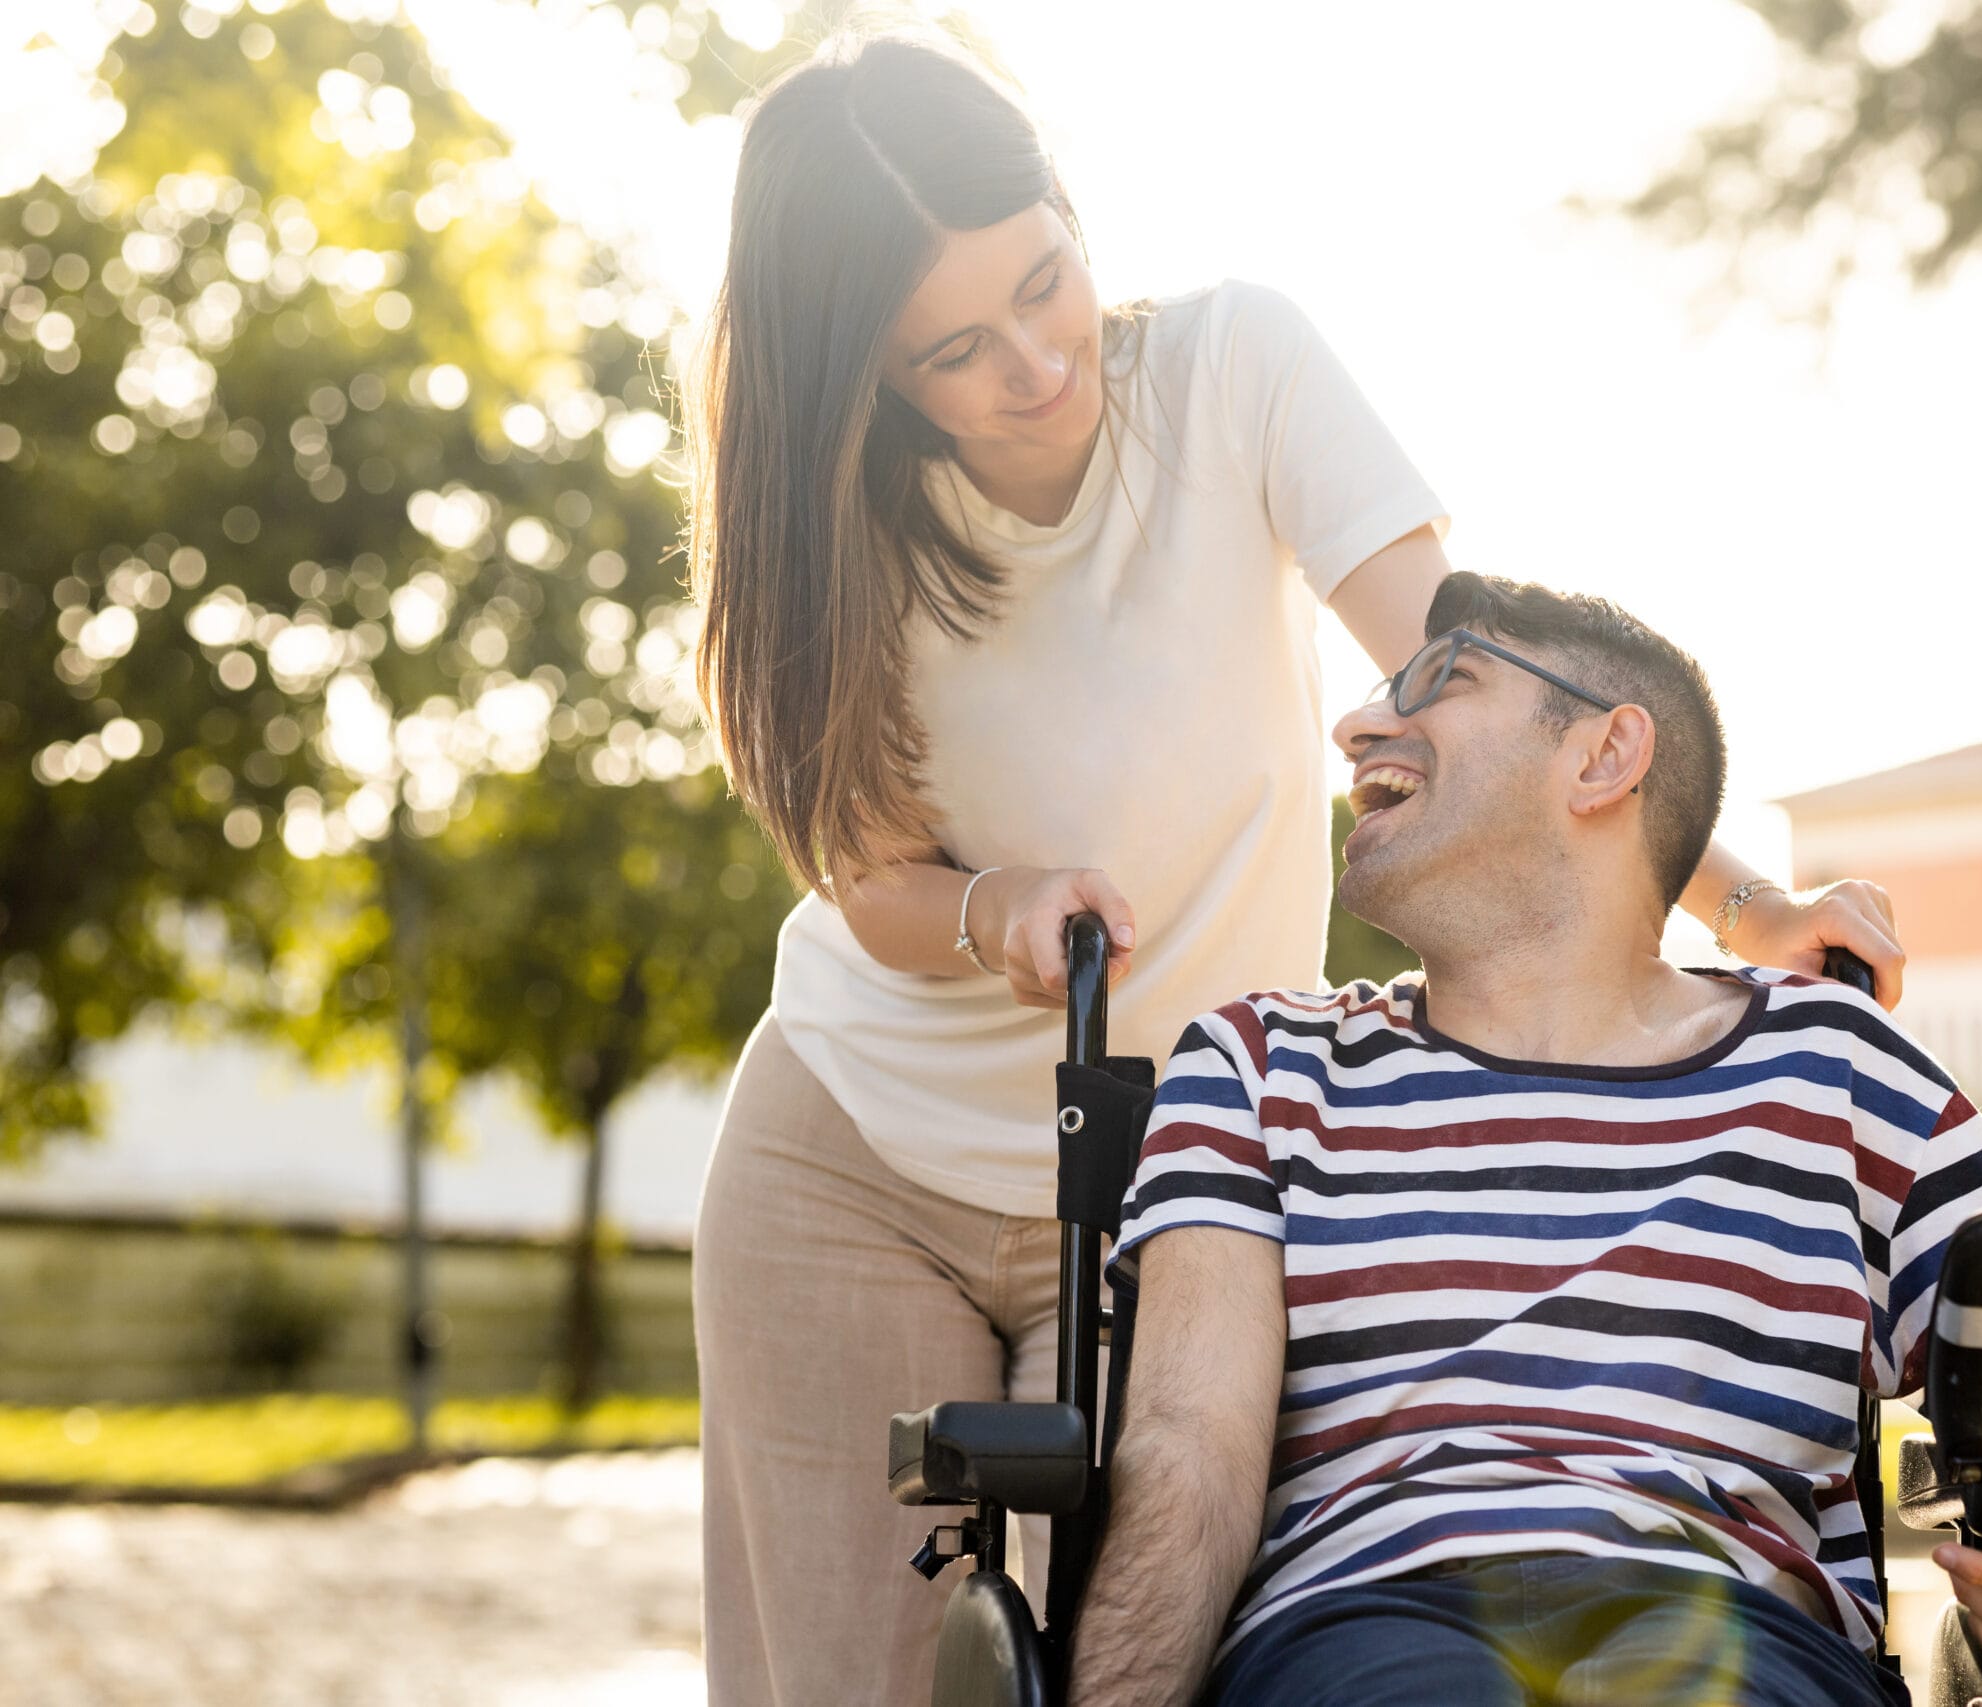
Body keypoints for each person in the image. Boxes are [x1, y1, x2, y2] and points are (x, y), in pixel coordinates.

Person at [682, 28, 1907, 1706]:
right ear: (868, 377)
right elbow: (861, 874)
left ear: (1068, 204)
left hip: (1160, 1175)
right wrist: (993, 908)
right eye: (956, 349)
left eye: (1045, 281)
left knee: (1131, 1645)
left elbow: (1473, 685)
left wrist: (1745, 905)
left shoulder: (1234, 368)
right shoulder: (832, 527)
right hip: (850, 1162)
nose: (1037, 364)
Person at [1069, 574, 1982, 1707]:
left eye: (1442, 681)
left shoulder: (1840, 1071)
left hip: (1736, 1630)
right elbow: (1188, 1461)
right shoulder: (1259, 1067)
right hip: (1374, 1618)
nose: (1360, 720)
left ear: (1605, 757)